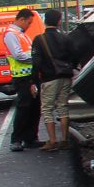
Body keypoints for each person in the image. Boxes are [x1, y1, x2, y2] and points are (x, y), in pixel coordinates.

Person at [32, 8, 76, 151]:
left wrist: (34, 81)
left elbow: (36, 62)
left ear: (45, 21)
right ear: (59, 22)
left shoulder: (39, 40)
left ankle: (52, 141)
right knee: (63, 106)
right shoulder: (66, 38)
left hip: (49, 78)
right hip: (66, 76)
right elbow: (74, 57)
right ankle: (64, 139)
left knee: (47, 109)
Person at [4, 8, 42, 151]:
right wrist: (37, 60)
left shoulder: (21, 34)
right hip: (22, 77)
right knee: (24, 108)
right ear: (22, 19)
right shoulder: (11, 34)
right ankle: (16, 140)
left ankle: (31, 138)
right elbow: (18, 55)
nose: (29, 26)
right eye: (29, 23)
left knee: (34, 108)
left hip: (30, 76)